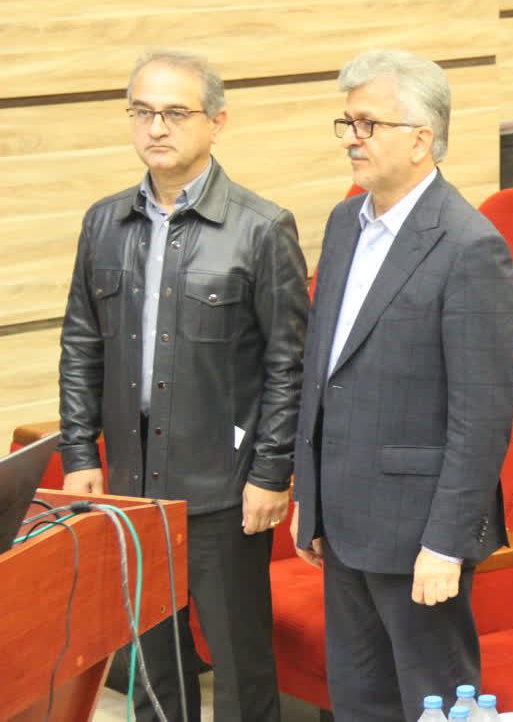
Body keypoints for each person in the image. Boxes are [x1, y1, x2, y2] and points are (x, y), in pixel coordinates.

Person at [58, 49, 308, 720]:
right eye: (142, 112)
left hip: (224, 487)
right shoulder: (103, 222)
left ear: (216, 122)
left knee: (239, 666)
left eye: (174, 112)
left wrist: (272, 471)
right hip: (132, 486)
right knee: (153, 670)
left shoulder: (261, 227)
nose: (156, 127)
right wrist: (80, 453)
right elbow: (81, 344)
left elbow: (289, 364)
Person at [291, 49, 513, 721]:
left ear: (422, 139)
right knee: (359, 703)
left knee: (435, 707)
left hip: (419, 535)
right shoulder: (345, 224)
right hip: (344, 522)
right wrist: (310, 497)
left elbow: (480, 416)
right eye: (348, 122)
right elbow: (321, 370)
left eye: (369, 124)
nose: (352, 138)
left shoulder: (470, 245)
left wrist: (446, 541)